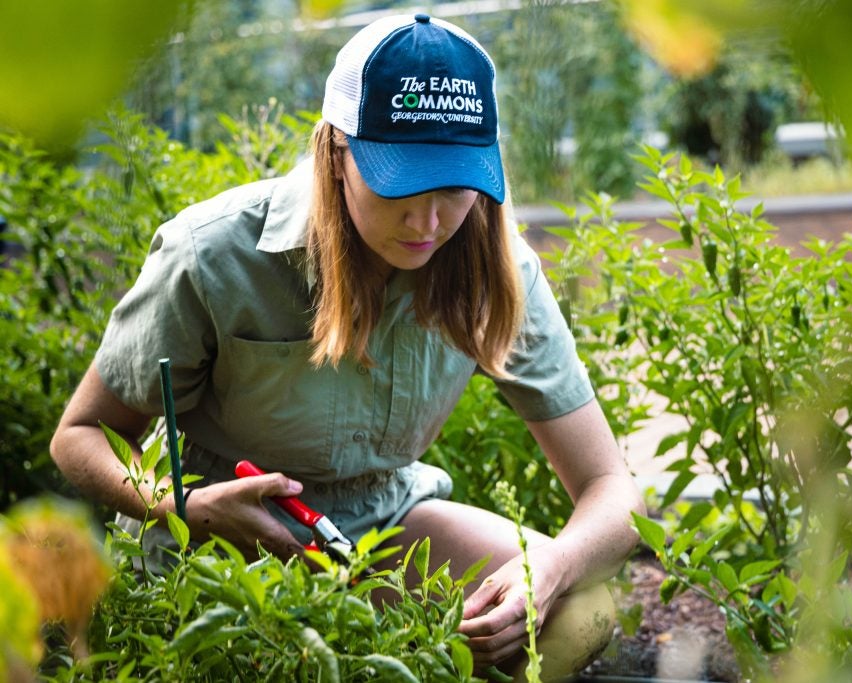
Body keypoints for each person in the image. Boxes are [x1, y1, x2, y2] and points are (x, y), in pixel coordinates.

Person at [50, 13, 644, 680]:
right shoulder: (214, 255)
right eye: (400, 186)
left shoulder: (493, 270)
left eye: (453, 187)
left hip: (385, 519)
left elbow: (612, 488)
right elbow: (80, 435)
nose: (428, 222)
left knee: (583, 608)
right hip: (224, 537)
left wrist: (550, 572)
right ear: (336, 152)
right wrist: (179, 504)